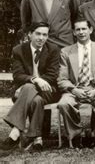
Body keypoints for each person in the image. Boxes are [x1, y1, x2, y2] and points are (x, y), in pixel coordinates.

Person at [0, 22, 60, 151]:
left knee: (28, 88)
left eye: (45, 34)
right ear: (29, 34)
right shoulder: (19, 50)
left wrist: (34, 82)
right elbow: (17, 75)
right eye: (38, 34)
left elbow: (52, 75)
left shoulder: (53, 49)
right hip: (25, 91)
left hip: (48, 90)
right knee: (36, 100)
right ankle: (37, 138)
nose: (41, 38)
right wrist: (35, 79)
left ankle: (15, 132)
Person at [57, 18, 95, 148]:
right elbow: (62, 79)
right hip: (75, 88)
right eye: (78, 29)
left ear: (90, 30)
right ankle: (76, 135)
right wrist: (74, 90)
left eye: (84, 29)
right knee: (63, 104)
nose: (81, 32)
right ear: (73, 32)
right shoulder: (66, 51)